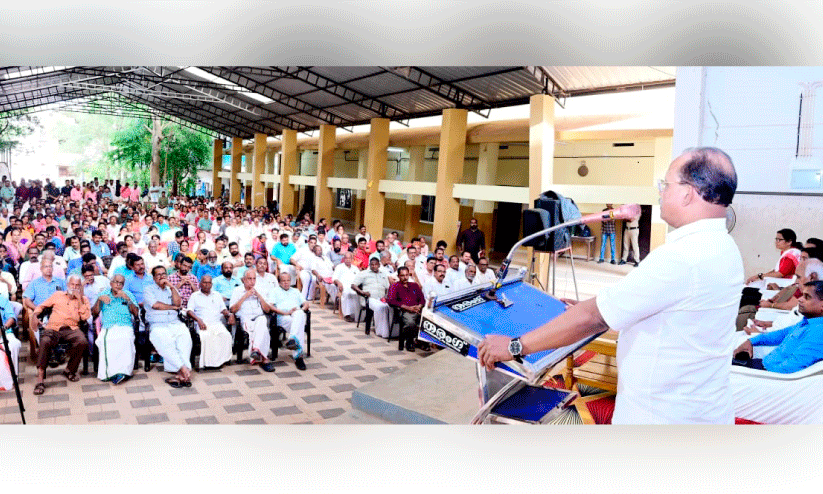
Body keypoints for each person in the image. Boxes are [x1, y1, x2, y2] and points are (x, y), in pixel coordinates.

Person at [478, 147, 743, 424]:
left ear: (687, 193)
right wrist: (598, 306)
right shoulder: (723, 247)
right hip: (700, 410)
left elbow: (594, 318)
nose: (661, 192)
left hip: (661, 418)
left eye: (665, 185)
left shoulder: (682, 256)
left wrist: (515, 346)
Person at [734, 281, 823, 373]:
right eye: (802, 295)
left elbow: (792, 366)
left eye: (807, 297)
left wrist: (759, 372)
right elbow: (781, 334)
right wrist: (751, 341)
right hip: (765, 366)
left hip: (767, 374)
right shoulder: (807, 322)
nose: (800, 299)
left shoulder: (819, 332)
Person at [30, 274, 91, 395]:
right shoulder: (58, 295)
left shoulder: (84, 299)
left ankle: (70, 370)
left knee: (82, 341)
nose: (74, 287)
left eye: (77, 285)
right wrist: (35, 315)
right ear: (67, 285)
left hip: (72, 328)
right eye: (72, 284)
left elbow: (85, 317)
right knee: (45, 341)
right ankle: (40, 378)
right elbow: (42, 306)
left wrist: (79, 299)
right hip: (53, 328)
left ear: (80, 287)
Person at [144, 266, 193, 388]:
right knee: (164, 340)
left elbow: (178, 303)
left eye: (163, 274)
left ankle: (182, 373)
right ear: (154, 277)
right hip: (158, 323)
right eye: (158, 275)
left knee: (185, 337)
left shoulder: (171, 289)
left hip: (174, 322)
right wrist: (173, 308)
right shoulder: (148, 289)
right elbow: (155, 305)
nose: (162, 277)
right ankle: (183, 369)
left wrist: (172, 287)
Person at [92, 274, 138, 385]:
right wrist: (99, 300)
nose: (118, 285)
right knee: (108, 340)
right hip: (109, 326)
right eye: (116, 282)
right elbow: (94, 313)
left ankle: (124, 372)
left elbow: (136, 313)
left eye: (121, 283)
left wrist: (128, 300)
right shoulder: (103, 294)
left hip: (125, 325)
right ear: (111, 283)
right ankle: (109, 373)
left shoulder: (128, 294)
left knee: (126, 339)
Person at [229, 270, 276, 372]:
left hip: (259, 318)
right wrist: (245, 296)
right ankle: (264, 359)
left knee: (262, 320)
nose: (252, 281)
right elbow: (232, 309)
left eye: (254, 279)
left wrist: (259, 296)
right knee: (263, 330)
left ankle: (256, 350)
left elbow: (267, 310)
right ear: (244, 280)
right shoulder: (237, 290)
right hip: (246, 320)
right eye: (249, 279)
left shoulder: (260, 289)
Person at [186, 275, 234, 369]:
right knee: (206, 337)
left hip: (216, 323)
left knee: (226, 335)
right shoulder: (195, 296)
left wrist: (229, 314)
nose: (207, 285)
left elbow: (223, 309)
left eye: (209, 283)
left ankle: (220, 361)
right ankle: (208, 363)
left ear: (211, 284)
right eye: (204, 282)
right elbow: (189, 311)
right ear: (200, 283)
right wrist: (198, 320)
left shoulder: (217, 295)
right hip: (202, 324)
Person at [269, 272, 309, 371]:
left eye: (288, 280)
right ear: (279, 282)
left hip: (296, 315)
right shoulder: (274, 291)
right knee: (299, 326)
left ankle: (292, 340)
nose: (286, 283)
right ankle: (298, 357)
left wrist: (301, 310)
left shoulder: (296, 291)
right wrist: (285, 313)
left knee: (299, 314)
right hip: (283, 316)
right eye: (283, 281)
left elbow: (306, 304)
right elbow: (270, 306)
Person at [386, 266, 427, 352]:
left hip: (417, 310)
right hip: (404, 311)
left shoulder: (414, 285)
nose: (405, 277)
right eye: (402, 275)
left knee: (428, 321)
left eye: (406, 275)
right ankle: (409, 341)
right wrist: (408, 308)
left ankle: (421, 341)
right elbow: (390, 301)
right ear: (398, 276)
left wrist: (419, 306)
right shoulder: (394, 286)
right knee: (410, 323)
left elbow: (422, 299)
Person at [351, 257, 391, 337]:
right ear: (369, 265)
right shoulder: (364, 273)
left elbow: (388, 287)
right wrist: (362, 292)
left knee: (389, 307)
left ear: (379, 265)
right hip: (369, 299)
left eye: (376, 264)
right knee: (380, 307)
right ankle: (380, 331)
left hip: (381, 299)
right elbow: (353, 285)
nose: (374, 266)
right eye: (372, 265)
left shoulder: (383, 274)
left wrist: (387, 296)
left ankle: (386, 330)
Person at [0, 295, 20, 392]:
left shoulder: (2, 299)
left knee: (14, 344)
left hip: (4, 332)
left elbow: (11, 317)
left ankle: (11, 380)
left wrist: (3, 328)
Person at [333, 251, 360, 322]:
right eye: (346, 258)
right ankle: (347, 314)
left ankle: (356, 315)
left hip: (353, 287)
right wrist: (339, 283)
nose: (348, 260)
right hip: (343, 287)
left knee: (357, 294)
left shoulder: (355, 268)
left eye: (349, 258)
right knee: (347, 294)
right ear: (344, 259)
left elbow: (359, 278)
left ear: (352, 259)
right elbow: (334, 278)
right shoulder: (339, 267)